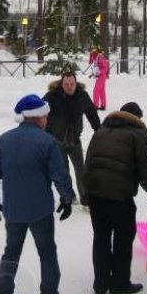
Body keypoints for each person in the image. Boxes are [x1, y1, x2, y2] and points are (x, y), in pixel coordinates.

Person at [0, 94, 74, 294]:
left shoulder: (4, 140)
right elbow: (59, 175)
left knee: (11, 252)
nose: (47, 119)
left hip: (13, 209)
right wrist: (66, 198)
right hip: (40, 211)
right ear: (39, 117)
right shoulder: (47, 142)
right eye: (46, 115)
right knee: (47, 253)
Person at [83, 102, 147, 294]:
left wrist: (87, 191)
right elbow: (145, 164)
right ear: (136, 119)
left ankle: (100, 284)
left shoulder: (100, 131)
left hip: (95, 192)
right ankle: (119, 283)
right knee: (123, 239)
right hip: (119, 195)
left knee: (101, 237)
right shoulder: (137, 134)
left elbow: (88, 160)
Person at [43, 71, 101, 206]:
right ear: (61, 84)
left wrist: (98, 130)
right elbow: (41, 112)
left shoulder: (82, 96)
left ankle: (86, 200)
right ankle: (69, 196)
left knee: (82, 171)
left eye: (72, 84)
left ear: (76, 83)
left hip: (75, 140)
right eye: (66, 84)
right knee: (63, 171)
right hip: (57, 141)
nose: (69, 86)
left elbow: (92, 113)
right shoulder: (52, 96)